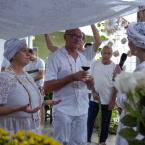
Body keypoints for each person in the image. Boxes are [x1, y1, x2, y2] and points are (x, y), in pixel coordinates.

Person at [0, 38, 61, 136]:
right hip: (15, 131)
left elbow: (27, 100)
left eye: (28, 50)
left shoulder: (27, 76)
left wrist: (44, 102)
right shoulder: (4, 77)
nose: (28, 53)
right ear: (13, 55)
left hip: (32, 128)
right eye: (24, 51)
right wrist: (18, 109)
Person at [44, 28, 94, 145]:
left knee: (78, 142)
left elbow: (90, 87)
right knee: (59, 142)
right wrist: (71, 78)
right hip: (63, 109)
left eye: (80, 37)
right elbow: (47, 87)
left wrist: (90, 82)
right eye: (74, 36)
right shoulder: (55, 57)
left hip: (82, 108)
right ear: (65, 37)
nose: (78, 39)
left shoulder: (83, 58)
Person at [114, 9, 145, 145]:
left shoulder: (141, 72)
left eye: (129, 40)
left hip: (135, 126)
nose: (128, 44)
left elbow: (125, 102)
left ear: (136, 45)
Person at [87, 45, 117, 145]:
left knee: (105, 122)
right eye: (104, 53)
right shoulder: (95, 64)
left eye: (109, 53)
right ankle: (87, 140)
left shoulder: (115, 67)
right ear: (101, 53)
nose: (106, 55)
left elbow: (116, 86)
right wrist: (94, 92)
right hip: (94, 99)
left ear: (111, 55)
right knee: (90, 120)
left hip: (107, 100)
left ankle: (102, 141)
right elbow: (90, 79)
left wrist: (113, 101)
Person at [24, 48, 46, 129]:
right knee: (29, 103)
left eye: (29, 56)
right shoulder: (26, 61)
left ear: (33, 54)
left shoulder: (40, 62)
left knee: (41, 104)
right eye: (27, 56)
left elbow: (41, 75)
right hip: (28, 86)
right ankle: (30, 121)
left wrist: (30, 81)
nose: (28, 58)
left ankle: (42, 123)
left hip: (38, 86)